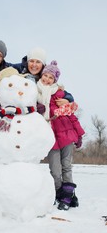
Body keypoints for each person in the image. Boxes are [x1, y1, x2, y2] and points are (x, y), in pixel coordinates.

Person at [37, 60, 85, 211]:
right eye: (45, 75)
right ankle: (59, 193)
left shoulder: (60, 95)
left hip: (67, 136)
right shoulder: (36, 94)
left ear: (55, 80)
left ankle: (67, 197)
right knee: (55, 170)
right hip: (50, 138)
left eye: (51, 77)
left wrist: (79, 134)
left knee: (66, 167)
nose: (47, 79)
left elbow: (71, 116)